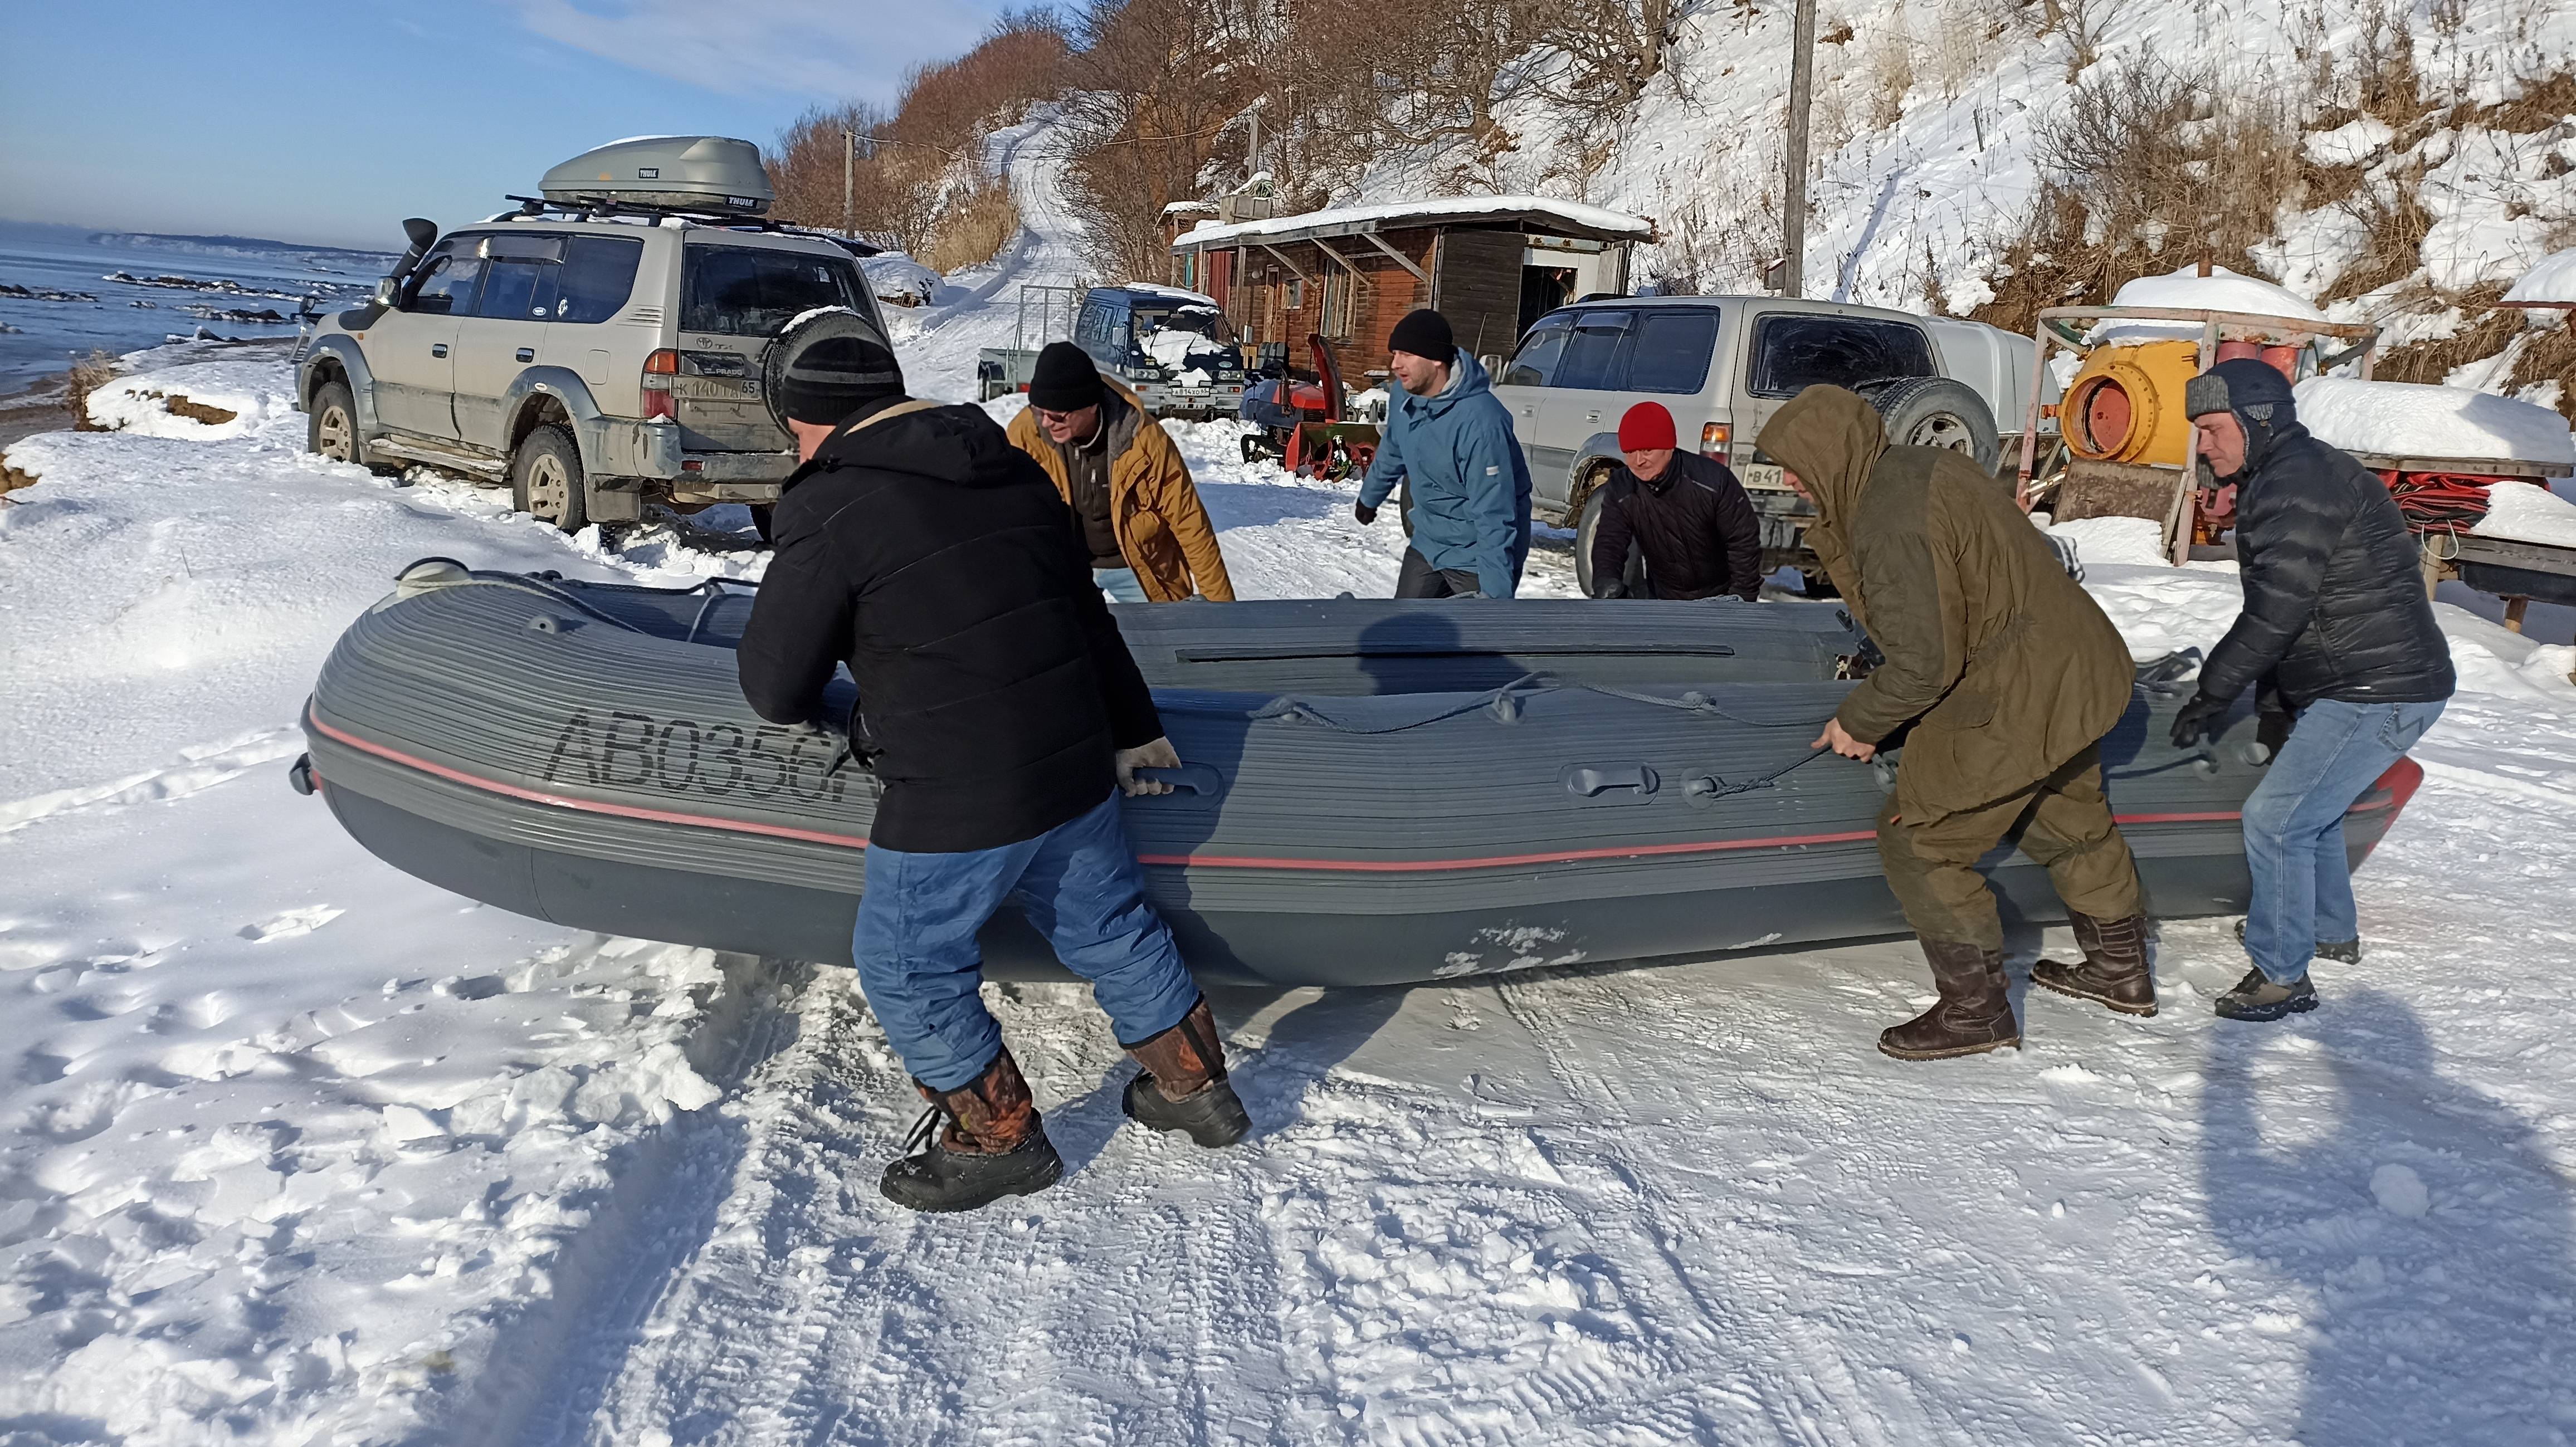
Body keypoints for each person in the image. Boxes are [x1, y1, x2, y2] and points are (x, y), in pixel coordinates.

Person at [738, 327, 1252, 1214]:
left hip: (958, 783)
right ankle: (1197, 1089)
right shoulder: (1007, 466)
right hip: (1073, 760)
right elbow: (1090, 617)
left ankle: (997, 1139)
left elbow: (777, 685)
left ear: (809, 421)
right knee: (1111, 926)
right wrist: (1135, 730)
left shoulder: (830, 504)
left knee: (905, 962)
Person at [1755, 384, 2152, 1060]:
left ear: (1828, 454)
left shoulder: (1887, 516)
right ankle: (2121, 968)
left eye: (1797, 462)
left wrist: (1862, 720)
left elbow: (1926, 663)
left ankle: (1976, 1010)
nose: (1791, 479)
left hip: (2016, 686)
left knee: (1921, 840)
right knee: (2069, 817)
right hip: (2077, 663)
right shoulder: (1924, 467)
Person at [2168, 358, 2455, 1023]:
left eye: (2211, 430)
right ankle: (2325, 930)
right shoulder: (2294, 472)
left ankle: (2280, 975)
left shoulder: (2295, 484)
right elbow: (2297, 614)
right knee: (2313, 812)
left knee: (2277, 820)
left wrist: (2212, 694)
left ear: (2255, 420)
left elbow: (2276, 613)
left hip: (2377, 687)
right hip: (2367, 681)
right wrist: (2273, 709)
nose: (2204, 447)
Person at [1006, 341, 1235, 604]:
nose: (1046, 423)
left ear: (1090, 406)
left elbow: (1190, 524)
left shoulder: (1145, 441)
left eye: (1057, 416)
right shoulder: (1026, 435)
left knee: (1161, 638)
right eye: (1039, 412)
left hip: (1138, 567)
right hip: (1066, 564)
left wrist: (1222, 613)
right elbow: (1008, 515)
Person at [1352, 309, 1533, 599]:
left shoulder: (1480, 423)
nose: (1395, 364)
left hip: (1476, 556)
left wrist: (1497, 602)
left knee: (1475, 641)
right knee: (1402, 636)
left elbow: (1495, 514)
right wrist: (1370, 497)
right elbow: (1394, 447)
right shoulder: (1404, 394)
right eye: (1394, 353)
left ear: (1437, 359)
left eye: (1406, 355)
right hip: (1428, 542)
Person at [1587, 401, 1764, 600]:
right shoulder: (1623, 487)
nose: (1638, 461)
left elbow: (1743, 541)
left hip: (1720, 596)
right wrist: (1606, 581)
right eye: (1630, 452)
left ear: (1669, 447)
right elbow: (1610, 541)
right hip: (1664, 597)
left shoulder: (1713, 481)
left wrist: (1742, 597)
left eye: (1647, 451)